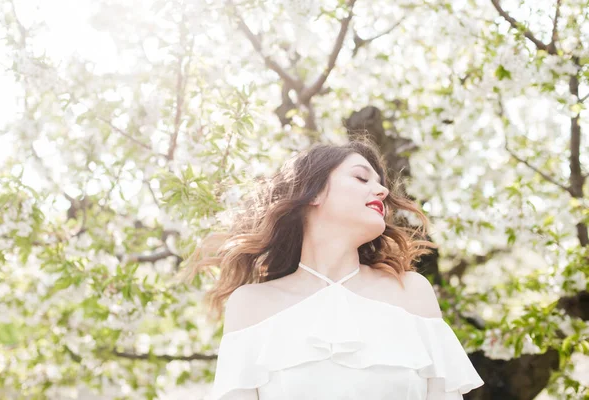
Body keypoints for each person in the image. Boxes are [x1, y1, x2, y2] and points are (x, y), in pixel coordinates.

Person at [182, 137, 485, 399]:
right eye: (361, 178)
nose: (381, 191)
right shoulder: (251, 305)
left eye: (381, 183)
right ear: (313, 193)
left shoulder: (412, 292)